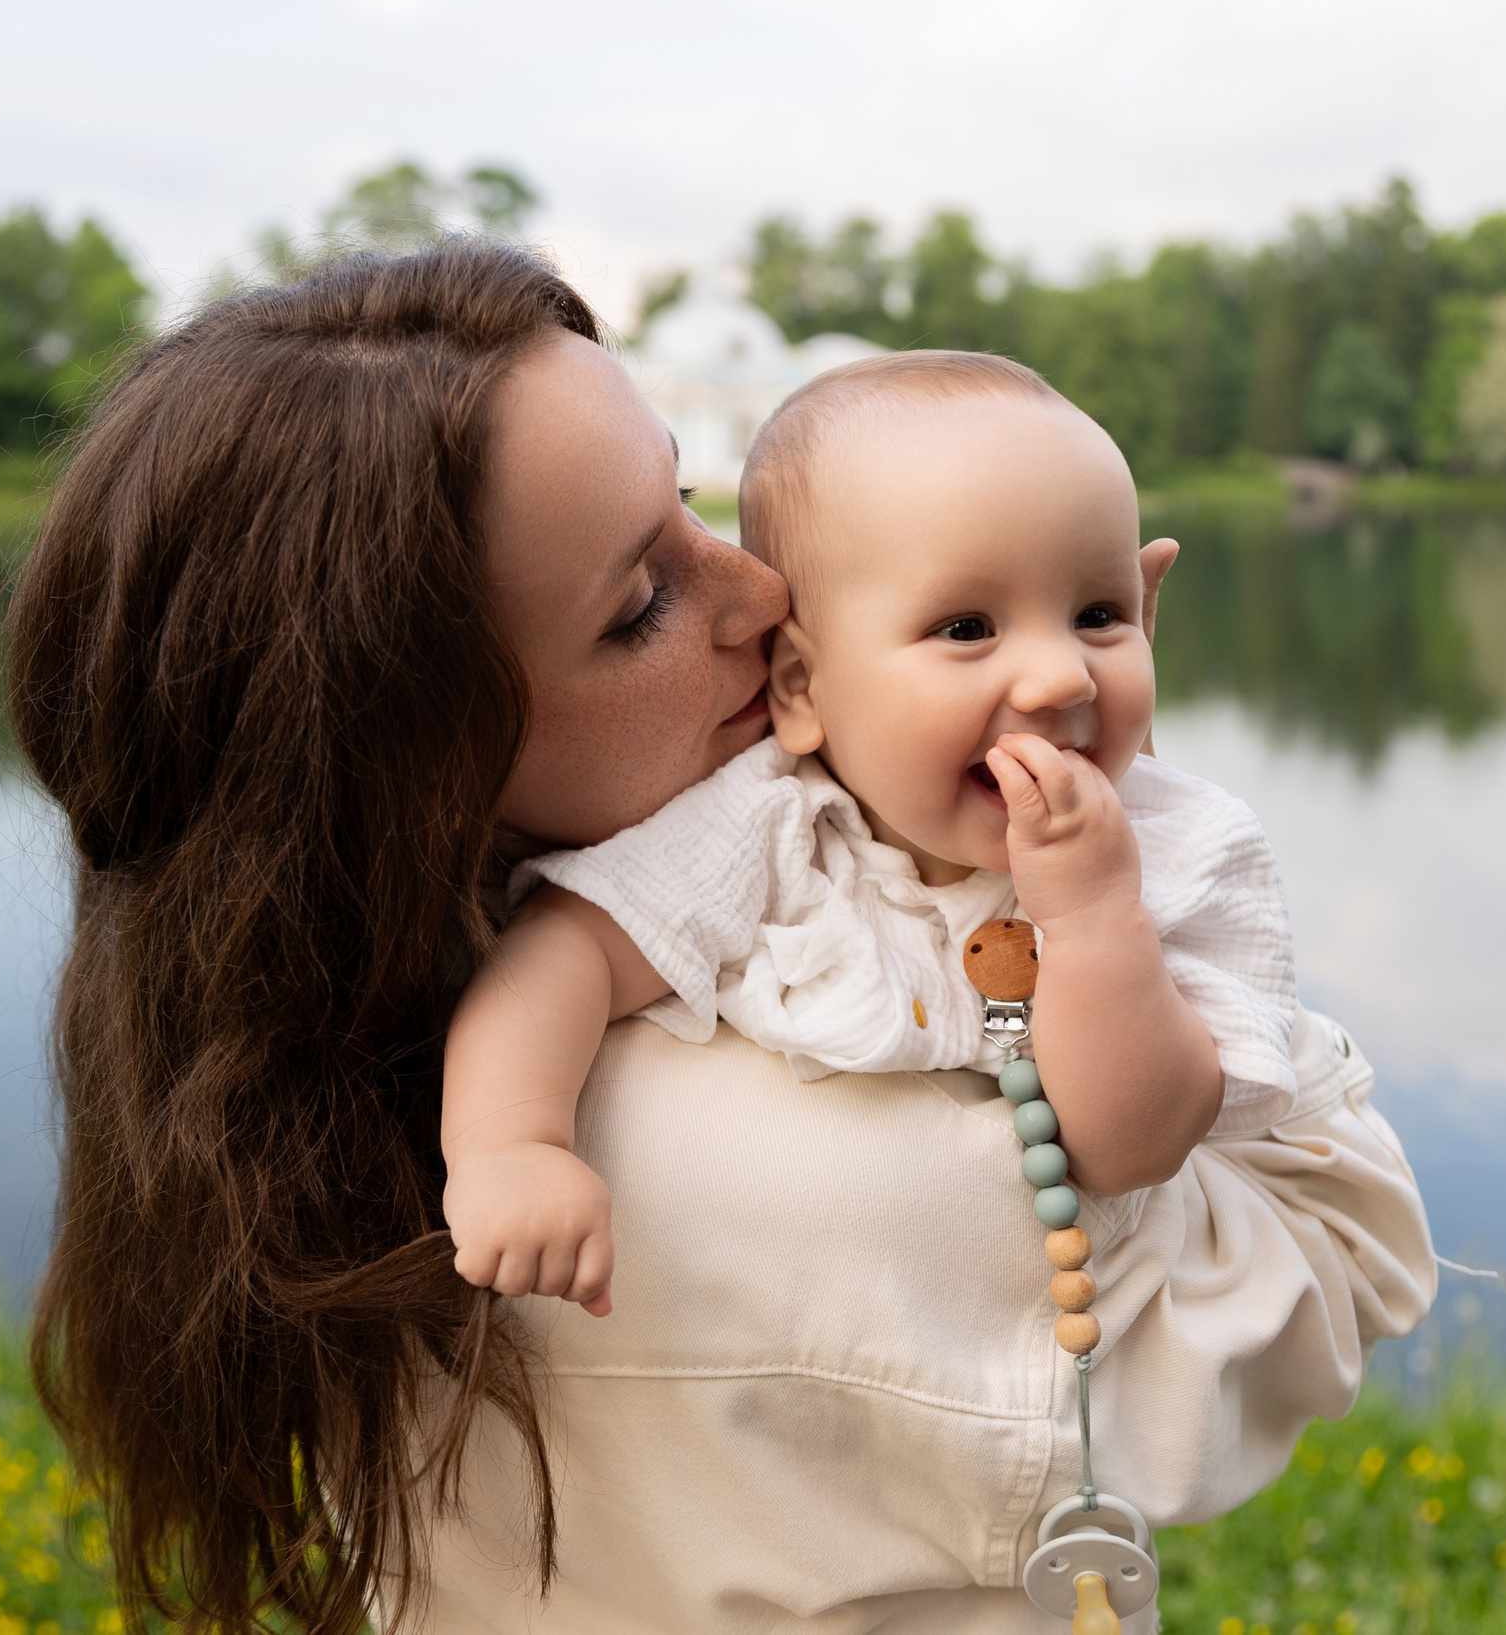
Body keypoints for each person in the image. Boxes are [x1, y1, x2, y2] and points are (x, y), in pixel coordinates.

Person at [5, 243, 1435, 1635]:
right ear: (416, 770)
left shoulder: (278, 1117)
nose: (765, 594)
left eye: (693, 501)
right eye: (641, 601)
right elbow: (1291, 1307)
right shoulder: (777, 1147)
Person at [442, 353, 1302, 1339]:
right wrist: (511, 1145)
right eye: (968, 627)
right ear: (804, 689)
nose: (1061, 677)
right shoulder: (771, 824)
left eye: (1098, 615)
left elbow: (1131, 1149)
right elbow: (570, 950)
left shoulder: (1179, 848)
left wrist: (1095, 921)